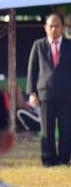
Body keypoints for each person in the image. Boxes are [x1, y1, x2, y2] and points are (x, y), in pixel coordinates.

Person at [26, 12, 71, 166]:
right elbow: (32, 70)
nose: (54, 29)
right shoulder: (38, 45)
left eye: (57, 26)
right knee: (47, 129)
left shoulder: (69, 45)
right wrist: (32, 92)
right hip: (45, 93)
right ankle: (48, 159)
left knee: (66, 129)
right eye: (51, 26)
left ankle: (65, 158)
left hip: (66, 94)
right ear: (45, 28)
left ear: (63, 27)